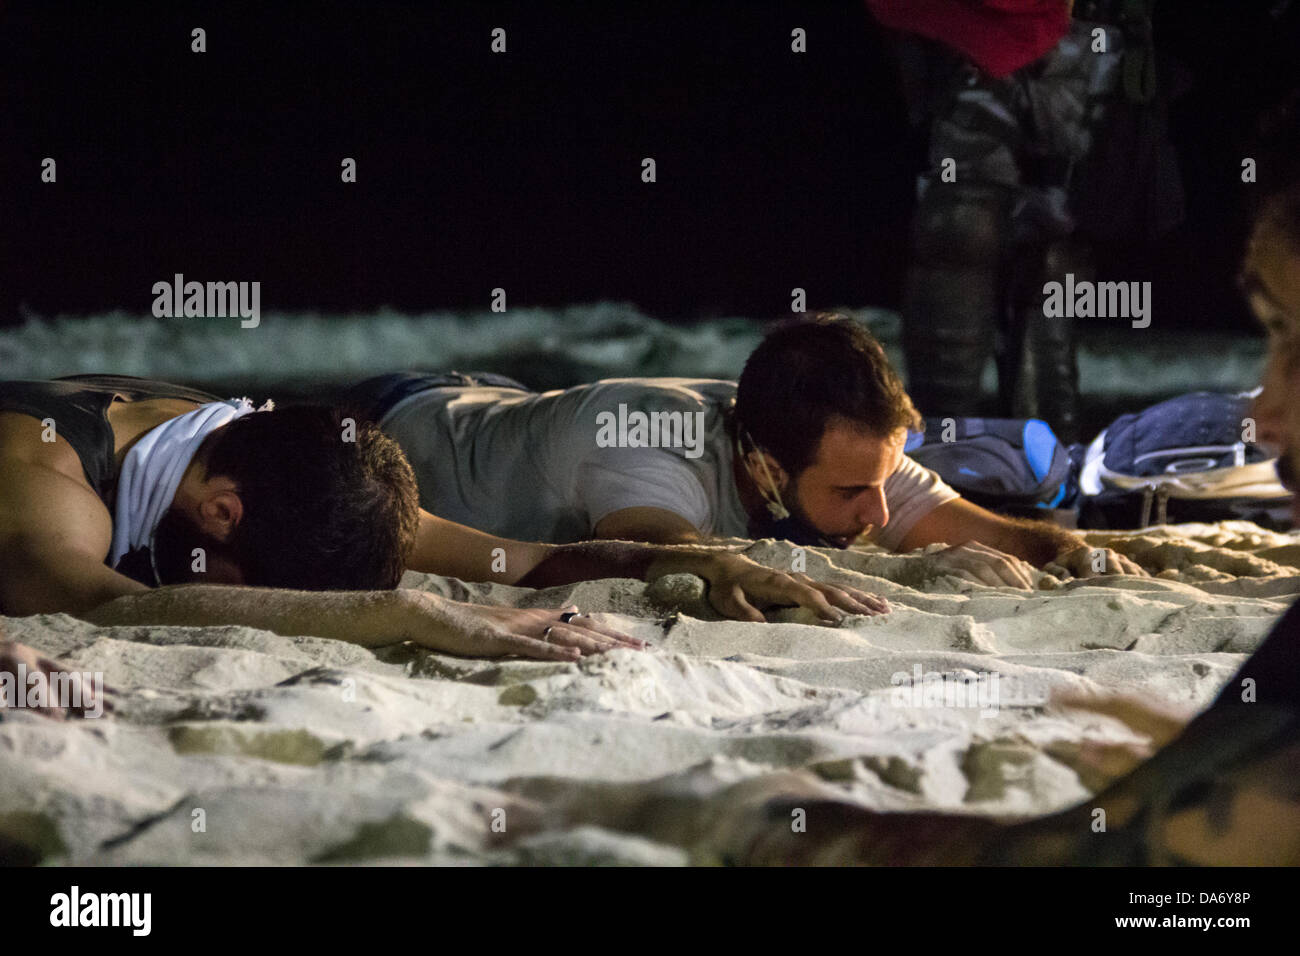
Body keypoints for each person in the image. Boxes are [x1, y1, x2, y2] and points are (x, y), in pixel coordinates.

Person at [0, 376, 887, 670]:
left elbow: (530, 559)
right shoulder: (44, 484)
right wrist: (410, 614)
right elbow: (106, 607)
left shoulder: (299, 476)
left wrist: (685, 561)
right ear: (220, 513)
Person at [352, 315, 1142, 589]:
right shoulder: (644, 446)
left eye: (878, 484)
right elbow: (664, 555)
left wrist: (1070, 550)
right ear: (764, 464)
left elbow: (991, 531)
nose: (875, 513)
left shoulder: (832, 441)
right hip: (402, 415)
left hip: (507, 402)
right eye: (851, 495)